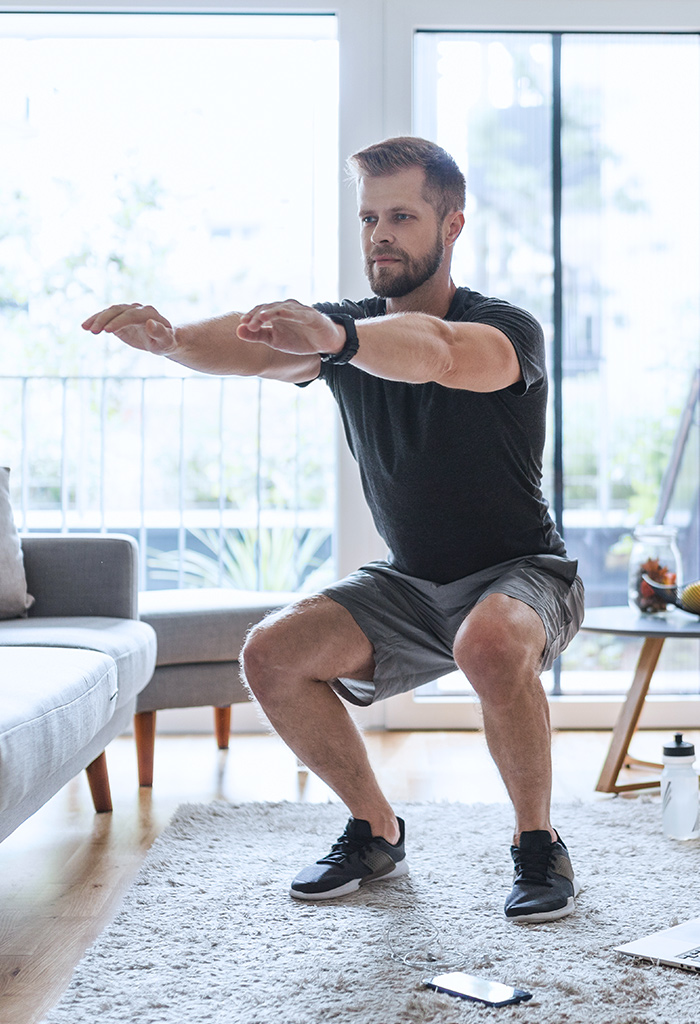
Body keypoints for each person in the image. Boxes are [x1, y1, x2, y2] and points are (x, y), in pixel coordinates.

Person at [83, 136, 584, 923]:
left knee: (487, 642)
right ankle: (376, 831)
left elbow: (442, 355)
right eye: (369, 218)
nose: (379, 234)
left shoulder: (505, 329)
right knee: (271, 654)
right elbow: (253, 351)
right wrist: (172, 340)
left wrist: (338, 341)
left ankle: (537, 842)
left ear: (451, 227)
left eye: (402, 216)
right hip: (412, 581)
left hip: (522, 573)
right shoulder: (342, 331)